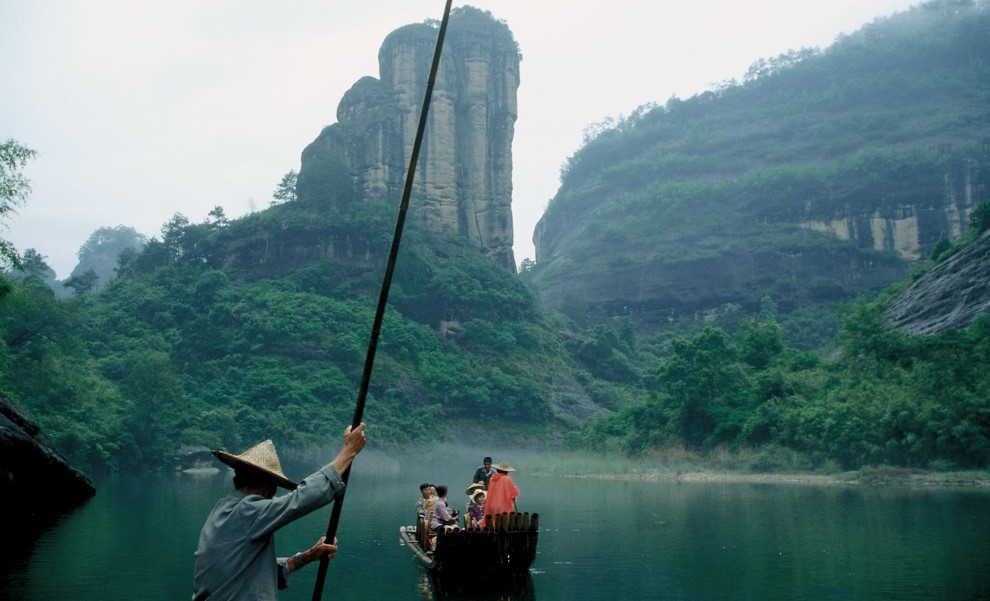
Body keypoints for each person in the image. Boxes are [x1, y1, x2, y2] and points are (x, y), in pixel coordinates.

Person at [192, 424, 367, 601]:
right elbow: (301, 499)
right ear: (269, 486)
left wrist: (307, 556)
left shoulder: (222, 510)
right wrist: (348, 452)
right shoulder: (247, 512)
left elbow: (252, 572)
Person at [482, 460, 519, 528]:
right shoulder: (507, 479)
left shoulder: (492, 478)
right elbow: (515, 492)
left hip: (491, 504)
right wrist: (513, 497)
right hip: (503, 506)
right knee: (503, 523)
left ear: (498, 470)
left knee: (492, 522)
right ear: (507, 471)